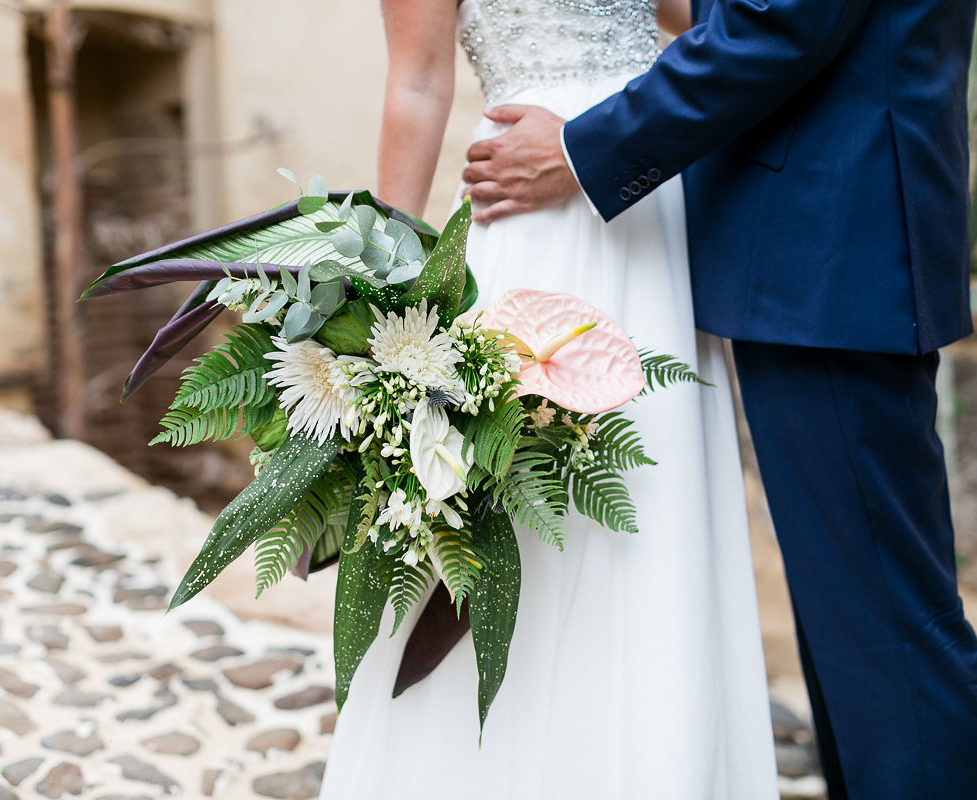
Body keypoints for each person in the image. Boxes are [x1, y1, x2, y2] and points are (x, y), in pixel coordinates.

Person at [460, 0, 977, 796]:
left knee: (885, 629)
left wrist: (582, 147)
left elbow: (781, 19)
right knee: (858, 626)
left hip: (832, 241)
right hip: (825, 238)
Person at [316, 1, 778, 798]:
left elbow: (696, 14)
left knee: (656, 505)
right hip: (530, 220)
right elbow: (419, 80)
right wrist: (387, 289)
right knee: (519, 503)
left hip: (652, 201)